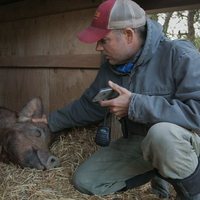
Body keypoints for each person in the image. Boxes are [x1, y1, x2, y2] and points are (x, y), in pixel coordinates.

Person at [33, 0, 200, 199]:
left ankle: (193, 191)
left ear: (128, 35)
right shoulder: (112, 66)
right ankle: (160, 170)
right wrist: (50, 121)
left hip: (185, 143)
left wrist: (134, 105)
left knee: (161, 136)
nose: (98, 48)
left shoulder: (179, 55)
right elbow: (90, 106)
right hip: (140, 142)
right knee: (85, 182)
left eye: (103, 40)